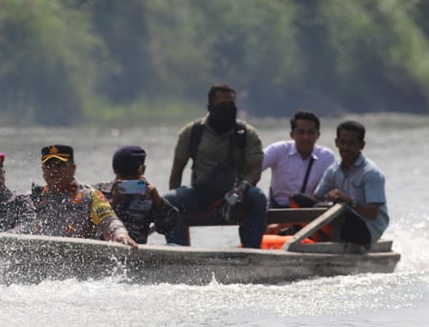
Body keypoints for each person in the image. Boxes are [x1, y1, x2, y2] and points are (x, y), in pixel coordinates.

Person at [163, 83, 268, 248]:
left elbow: (255, 170)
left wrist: (243, 187)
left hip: (235, 195)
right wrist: (173, 210)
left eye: (231, 105)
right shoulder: (192, 132)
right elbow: (177, 170)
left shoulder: (246, 133)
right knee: (169, 200)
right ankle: (178, 251)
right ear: (210, 107)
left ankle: (251, 251)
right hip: (200, 193)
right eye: (222, 105)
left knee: (259, 197)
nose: (227, 109)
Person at [32, 144, 137, 248]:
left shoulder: (90, 196)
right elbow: (21, 227)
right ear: (43, 170)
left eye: (61, 165)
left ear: (73, 168)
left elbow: (109, 221)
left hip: (81, 258)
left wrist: (120, 235)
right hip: (41, 257)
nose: (54, 171)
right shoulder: (33, 198)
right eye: (49, 166)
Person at [312, 120, 389, 246]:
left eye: (352, 143)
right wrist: (326, 200)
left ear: (362, 145)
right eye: (342, 142)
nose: (346, 148)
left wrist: (348, 200)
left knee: (342, 216)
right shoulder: (333, 170)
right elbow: (315, 199)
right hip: (343, 223)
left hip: (366, 230)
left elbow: (372, 213)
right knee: (300, 200)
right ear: (336, 143)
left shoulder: (371, 173)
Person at [95, 145, 179, 245]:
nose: (129, 180)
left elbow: (167, 227)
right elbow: (87, 226)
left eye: (134, 176)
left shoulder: (147, 196)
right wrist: (113, 203)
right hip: (103, 249)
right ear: (114, 170)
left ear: (143, 170)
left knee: (172, 246)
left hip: (136, 253)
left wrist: (158, 202)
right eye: (124, 177)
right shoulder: (98, 192)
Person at [262, 110, 336, 208]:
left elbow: (333, 190)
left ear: (318, 135)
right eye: (301, 132)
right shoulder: (278, 150)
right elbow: (254, 165)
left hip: (311, 212)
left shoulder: (327, 157)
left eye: (310, 132)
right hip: (279, 209)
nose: (305, 137)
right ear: (292, 135)